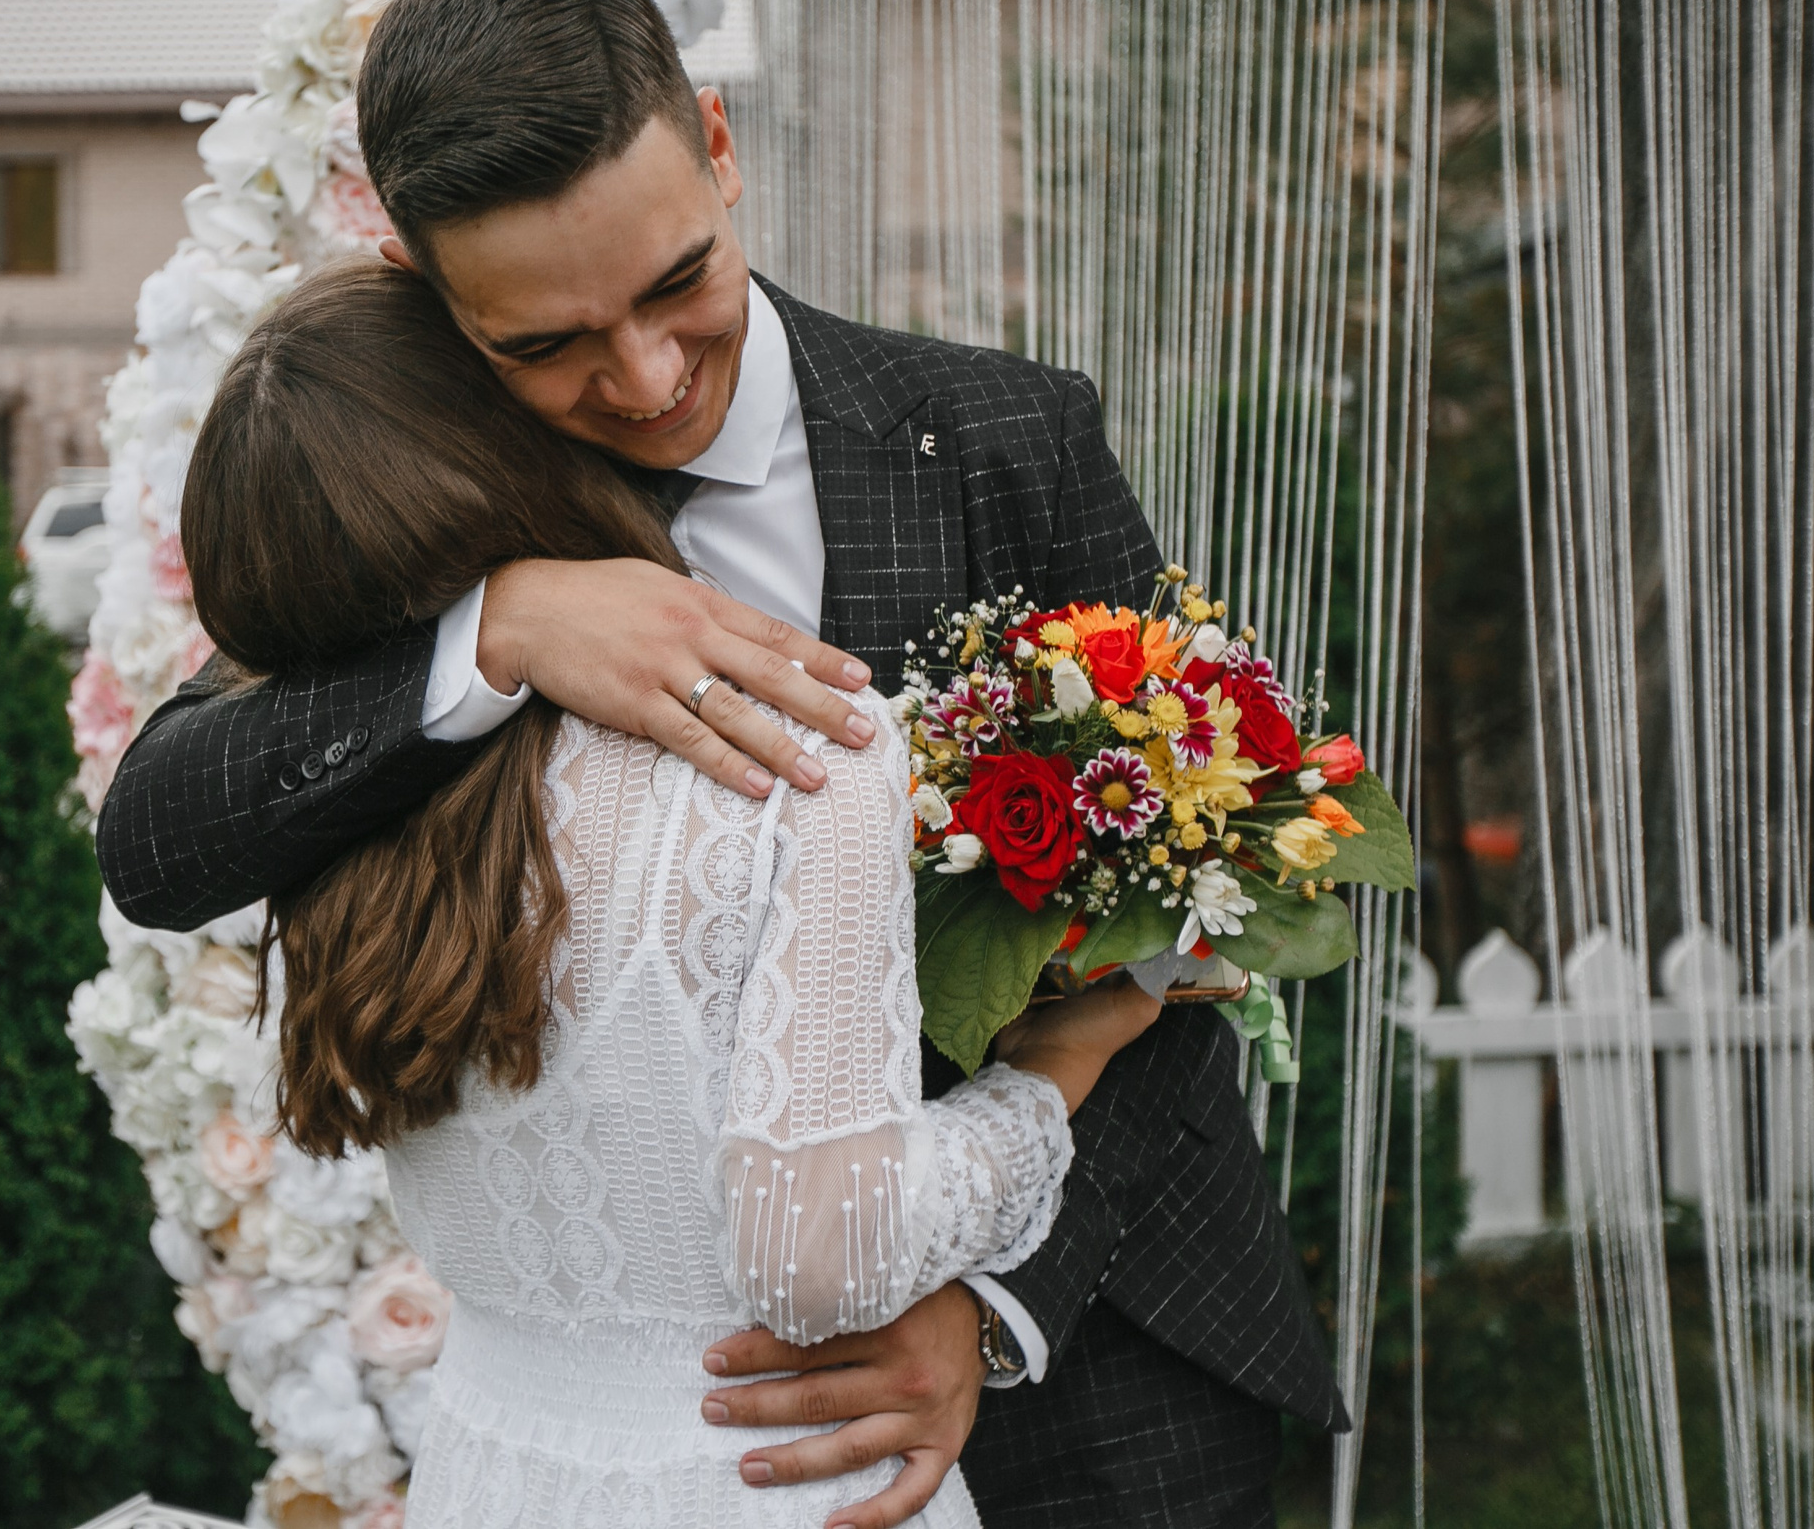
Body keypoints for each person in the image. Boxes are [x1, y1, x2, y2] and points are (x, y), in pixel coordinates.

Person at [98, 0, 1346, 1529]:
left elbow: (1192, 908)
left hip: (1103, 1363)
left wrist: (987, 1304)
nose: (642, 376)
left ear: (719, 146)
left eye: (677, 281)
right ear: (429, 291)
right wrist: (498, 630)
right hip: (697, 1440)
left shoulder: (1003, 437)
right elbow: (159, 829)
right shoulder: (427, 503)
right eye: (542, 344)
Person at [180, 257, 1164, 1528]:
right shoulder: (805, 750)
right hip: (768, 1482)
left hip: (490, 1471)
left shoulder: (335, 823)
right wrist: (1054, 1072)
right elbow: (820, 1259)